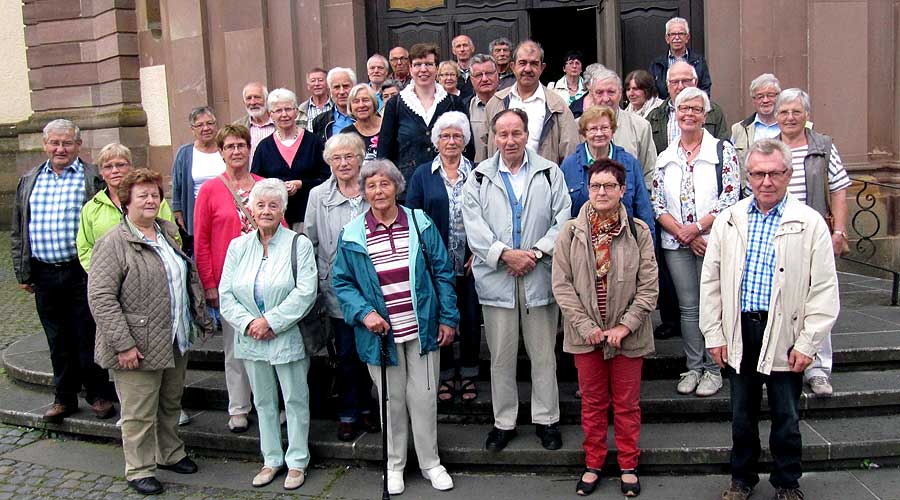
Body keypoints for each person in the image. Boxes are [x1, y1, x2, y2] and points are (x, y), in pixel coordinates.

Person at [701, 139, 839, 500]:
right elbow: (711, 281)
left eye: (774, 173)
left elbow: (823, 289)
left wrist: (809, 343)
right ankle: (742, 479)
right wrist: (714, 334)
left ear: (787, 175)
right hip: (740, 329)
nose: (766, 181)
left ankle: (787, 482)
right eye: (758, 173)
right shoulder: (730, 219)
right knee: (741, 415)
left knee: (786, 416)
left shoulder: (809, 223)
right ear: (748, 176)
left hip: (787, 332)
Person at [332, 159, 459, 495]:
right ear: (363, 192)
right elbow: (342, 283)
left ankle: (431, 463)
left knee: (425, 398)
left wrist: (448, 317)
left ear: (397, 187)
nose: (378, 191)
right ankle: (394, 465)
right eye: (371, 185)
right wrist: (364, 313)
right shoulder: (353, 233)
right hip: (381, 336)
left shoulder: (419, 222)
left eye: (384, 184)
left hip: (422, 330)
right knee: (391, 402)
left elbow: (443, 273)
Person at [88, 168, 214, 496]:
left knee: (170, 402)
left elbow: (184, 277)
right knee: (139, 412)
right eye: (142, 195)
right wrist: (123, 344)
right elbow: (101, 298)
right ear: (126, 201)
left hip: (174, 336)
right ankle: (139, 468)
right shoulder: (114, 242)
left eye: (155, 195)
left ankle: (170, 453)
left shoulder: (168, 232)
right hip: (136, 344)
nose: (150, 200)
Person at [462, 109, 571, 452]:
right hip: (497, 279)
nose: (510, 140)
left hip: (539, 275)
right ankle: (504, 422)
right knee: (501, 356)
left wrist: (536, 253)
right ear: (494, 137)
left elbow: (563, 218)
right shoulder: (479, 177)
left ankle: (547, 419)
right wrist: (505, 255)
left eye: (516, 133)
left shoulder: (549, 173)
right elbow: (473, 228)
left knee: (543, 354)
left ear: (527, 135)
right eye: (503, 134)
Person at [552, 159, 658, 498]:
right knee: (593, 403)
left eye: (609, 186)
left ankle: (628, 465)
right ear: (588, 188)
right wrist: (586, 326)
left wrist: (624, 326)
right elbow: (562, 285)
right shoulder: (570, 232)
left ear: (623, 190)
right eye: (596, 185)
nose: (601, 192)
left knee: (627, 404)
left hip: (629, 334)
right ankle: (593, 463)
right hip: (586, 336)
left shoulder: (639, 232)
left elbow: (649, 287)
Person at [11, 119, 115, 423]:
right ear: (45, 145)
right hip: (43, 271)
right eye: (54, 143)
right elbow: (19, 228)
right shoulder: (29, 179)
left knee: (88, 333)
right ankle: (64, 397)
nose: (60, 148)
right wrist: (23, 271)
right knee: (57, 338)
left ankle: (98, 394)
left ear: (78, 146)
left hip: (81, 270)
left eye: (67, 143)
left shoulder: (92, 177)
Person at [219, 179, 318, 491]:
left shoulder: (297, 244)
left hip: (285, 336)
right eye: (260, 205)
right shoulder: (238, 247)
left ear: (283, 210)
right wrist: (250, 324)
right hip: (250, 338)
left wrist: (271, 321)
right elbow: (226, 295)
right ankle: (271, 458)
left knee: (295, 398)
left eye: (273, 205)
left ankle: (298, 461)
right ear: (251, 209)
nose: (266, 211)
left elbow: (306, 292)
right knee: (263, 401)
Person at [651, 87, 740, 397]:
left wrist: (698, 229)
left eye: (695, 109)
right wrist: (683, 234)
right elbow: (657, 204)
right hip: (677, 245)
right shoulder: (665, 156)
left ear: (705, 115)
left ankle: (714, 369)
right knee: (688, 308)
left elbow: (731, 195)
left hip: (712, 241)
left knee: (711, 306)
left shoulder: (721, 151)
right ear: (675, 114)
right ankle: (693, 367)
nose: (688, 114)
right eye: (682, 108)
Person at [775, 88, 851, 397]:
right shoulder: (769, 148)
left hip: (814, 235)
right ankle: (782, 363)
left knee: (818, 299)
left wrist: (840, 231)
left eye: (796, 112)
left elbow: (839, 189)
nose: (790, 117)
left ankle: (819, 369)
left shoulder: (823, 147)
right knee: (781, 301)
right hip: (777, 237)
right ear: (776, 116)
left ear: (807, 116)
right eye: (784, 112)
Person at [303, 133, 378, 442]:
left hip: (373, 288)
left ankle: (368, 408)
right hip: (336, 288)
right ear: (329, 162)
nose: (344, 163)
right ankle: (349, 411)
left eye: (350, 156)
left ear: (361, 158)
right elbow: (310, 240)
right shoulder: (318, 195)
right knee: (346, 353)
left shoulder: (374, 187)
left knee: (369, 352)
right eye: (337, 158)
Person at [406, 111, 481, 403]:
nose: (451, 141)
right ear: (436, 141)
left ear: (465, 141)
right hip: (435, 262)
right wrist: (424, 255)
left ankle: (471, 373)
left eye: (457, 136)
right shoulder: (423, 175)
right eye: (445, 136)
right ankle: (447, 375)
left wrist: (479, 251)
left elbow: (488, 213)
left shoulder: (477, 172)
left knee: (472, 318)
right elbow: (412, 215)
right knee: (440, 315)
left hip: (471, 260)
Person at [194, 125, 265, 433]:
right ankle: (238, 406)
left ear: (249, 149)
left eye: (241, 145)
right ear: (221, 152)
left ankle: (267, 404)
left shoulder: (265, 185)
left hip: (265, 280)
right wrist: (209, 284)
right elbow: (202, 241)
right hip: (230, 282)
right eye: (230, 146)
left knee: (266, 346)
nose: (236, 151)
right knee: (235, 347)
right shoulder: (210, 190)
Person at [377, 43, 471, 183]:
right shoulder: (395, 104)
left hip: (449, 186)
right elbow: (384, 151)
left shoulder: (454, 102)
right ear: (410, 68)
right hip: (406, 188)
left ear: (437, 68)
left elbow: (468, 147)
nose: (423, 69)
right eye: (417, 64)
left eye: (428, 64)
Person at [77, 143, 177, 271]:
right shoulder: (91, 208)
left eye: (120, 165)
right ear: (101, 172)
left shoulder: (153, 201)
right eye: (108, 167)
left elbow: (173, 236)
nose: (115, 171)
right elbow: (85, 248)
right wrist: (105, 273)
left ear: (131, 167)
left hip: (154, 273)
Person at [560, 106, 655, 238]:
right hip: (581, 246)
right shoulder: (569, 166)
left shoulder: (630, 163)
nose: (599, 133)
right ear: (584, 133)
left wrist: (649, 252)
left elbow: (644, 211)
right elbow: (562, 216)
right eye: (593, 129)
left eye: (604, 128)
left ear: (612, 130)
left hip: (624, 245)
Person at [485, 40, 579, 165]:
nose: (528, 69)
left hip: (544, 181)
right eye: (522, 63)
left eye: (534, 64)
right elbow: (484, 149)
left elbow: (570, 153)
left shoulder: (557, 106)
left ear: (542, 68)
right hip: (501, 181)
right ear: (513, 67)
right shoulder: (496, 103)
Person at [250, 88, 331, 229]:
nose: (284, 115)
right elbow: (257, 183)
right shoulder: (264, 147)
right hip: (275, 221)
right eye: (278, 111)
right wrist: (278, 188)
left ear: (296, 112)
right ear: (271, 115)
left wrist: (301, 184)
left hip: (309, 217)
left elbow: (327, 178)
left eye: (288, 109)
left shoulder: (314, 142)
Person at [571, 67, 658, 188]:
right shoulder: (577, 127)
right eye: (599, 93)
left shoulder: (640, 126)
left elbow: (650, 172)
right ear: (591, 95)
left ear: (620, 93)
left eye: (611, 92)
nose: (606, 99)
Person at [170, 107, 225, 252]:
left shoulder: (225, 149)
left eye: (210, 123)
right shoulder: (185, 153)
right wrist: (179, 219)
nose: (206, 128)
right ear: (192, 129)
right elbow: (177, 189)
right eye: (200, 125)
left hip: (225, 212)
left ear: (216, 125)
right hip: (196, 214)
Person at [646, 61, 729, 155]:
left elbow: (722, 148)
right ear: (668, 86)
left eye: (685, 81)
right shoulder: (653, 117)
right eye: (675, 82)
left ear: (695, 82)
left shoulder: (713, 111)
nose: (680, 86)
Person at [648, 16, 712, 99]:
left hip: (691, 109)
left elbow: (705, 90)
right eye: (673, 34)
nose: (677, 38)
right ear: (667, 39)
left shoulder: (699, 62)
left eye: (681, 34)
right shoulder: (656, 65)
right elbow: (652, 93)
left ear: (687, 37)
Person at [731, 74, 782, 168]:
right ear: (753, 100)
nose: (765, 100)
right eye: (760, 96)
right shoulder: (738, 129)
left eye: (770, 95)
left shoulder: (791, 127)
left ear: (779, 96)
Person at [466, 54, 501, 163]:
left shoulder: (510, 103)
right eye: (478, 75)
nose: (485, 79)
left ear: (498, 75)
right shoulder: (465, 107)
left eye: (489, 73)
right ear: (471, 79)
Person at [311, 67, 357, 143]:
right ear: (330, 91)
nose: (341, 92)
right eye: (336, 87)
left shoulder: (367, 116)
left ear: (354, 88)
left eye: (345, 86)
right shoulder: (320, 121)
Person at [233, 82, 276, 161]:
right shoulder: (237, 127)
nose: (253, 102)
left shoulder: (279, 123)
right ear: (244, 102)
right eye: (249, 98)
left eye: (257, 97)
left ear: (266, 100)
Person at [342, 83, 382, 160]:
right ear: (350, 107)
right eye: (356, 101)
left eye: (365, 100)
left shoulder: (389, 126)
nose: (361, 105)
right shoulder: (346, 134)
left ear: (374, 103)